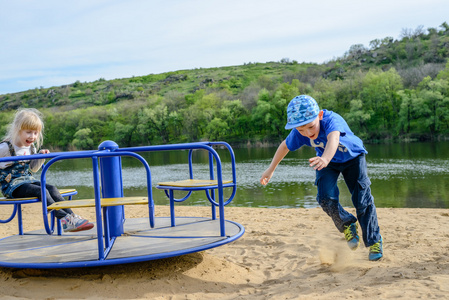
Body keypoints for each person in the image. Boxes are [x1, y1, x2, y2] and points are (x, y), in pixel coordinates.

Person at [260, 95, 383, 261]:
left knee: (362, 199)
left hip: (352, 157)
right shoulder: (300, 132)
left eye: (310, 127)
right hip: (327, 162)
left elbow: (333, 139)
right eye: (301, 130)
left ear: (318, 116)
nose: (307, 133)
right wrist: (270, 169)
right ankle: (347, 224)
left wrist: (325, 158)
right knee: (325, 198)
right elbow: (284, 146)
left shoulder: (331, 120)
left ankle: (374, 241)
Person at [0, 108, 94, 232]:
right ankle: (64, 219)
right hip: (12, 187)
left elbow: (33, 168)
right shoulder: (5, 148)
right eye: (28, 132)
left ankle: (72, 217)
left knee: (52, 188)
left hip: (27, 181)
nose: (32, 136)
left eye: (35, 133)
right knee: (41, 191)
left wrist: (41, 157)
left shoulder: (31, 148)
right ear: (18, 130)